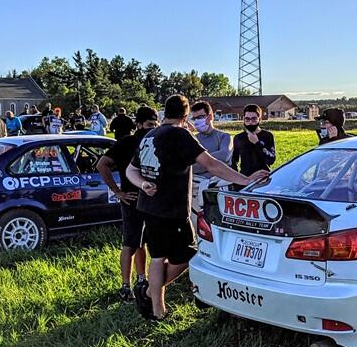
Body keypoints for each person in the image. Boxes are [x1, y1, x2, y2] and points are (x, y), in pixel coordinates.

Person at [126, 95, 269, 321]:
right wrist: (245, 180)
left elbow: (130, 171)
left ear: (165, 112)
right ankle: (149, 293)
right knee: (188, 254)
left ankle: (157, 310)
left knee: (158, 257)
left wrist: (143, 184)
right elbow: (211, 163)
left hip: (148, 206)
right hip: (172, 208)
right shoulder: (180, 135)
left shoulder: (150, 135)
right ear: (185, 116)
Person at [97, 106, 159, 304]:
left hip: (151, 199)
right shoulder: (128, 142)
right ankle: (125, 287)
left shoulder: (155, 141)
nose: (152, 128)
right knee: (130, 243)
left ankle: (142, 279)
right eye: (149, 124)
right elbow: (102, 164)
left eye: (155, 124)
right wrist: (117, 192)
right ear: (139, 124)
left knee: (143, 242)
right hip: (131, 198)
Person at [231, 104, 276, 176]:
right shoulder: (238, 138)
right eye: (247, 119)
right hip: (245, 178)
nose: (250, 122)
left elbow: (271, 160)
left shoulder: (267, 136)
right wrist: (237, 177)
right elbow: (234, 160)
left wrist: (257, 143)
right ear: (244, 119)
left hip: (263, 177)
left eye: (254, 119)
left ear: (259, 119)